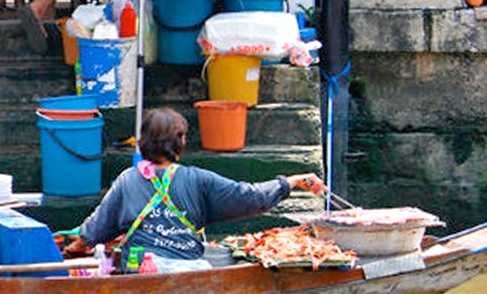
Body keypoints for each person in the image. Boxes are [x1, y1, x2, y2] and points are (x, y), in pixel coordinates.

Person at [65, 108, 327, 272]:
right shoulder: (198, 179)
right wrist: (291, 181)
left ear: (144, 142)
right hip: (186, 269)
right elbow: (250, 197)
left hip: (138, 269)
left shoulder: (127, 179)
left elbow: (95, 230)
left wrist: (76, 248)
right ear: (179, 143)